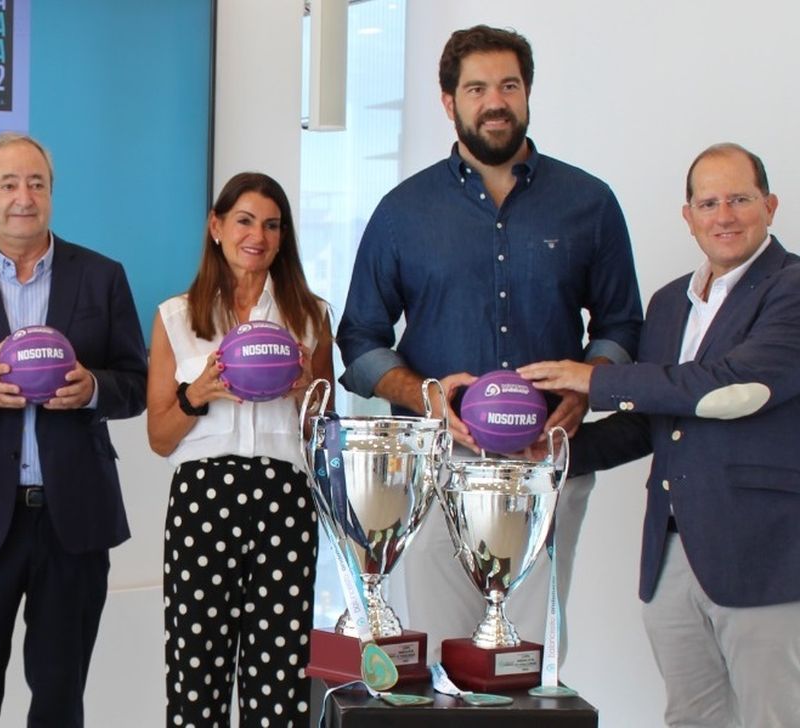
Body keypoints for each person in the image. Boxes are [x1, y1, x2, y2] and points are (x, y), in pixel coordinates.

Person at [334, 24, 643, 662]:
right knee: (446, 660)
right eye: (476, 88)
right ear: (449, 102)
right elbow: (360, 337)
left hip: (546, 466)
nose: (494, 101)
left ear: (527, 93)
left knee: (531, 657)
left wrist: (582, 394)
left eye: (509, 85)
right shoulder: (402, 211)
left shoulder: (589, 203)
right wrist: (422, 396)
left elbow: (621, 325)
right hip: (437, 465)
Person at [521, 144, 800, 727]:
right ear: (688, 216)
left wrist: (593, 379)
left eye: (740, 199)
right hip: (671, 551)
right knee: (691, 718)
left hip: (765, 554)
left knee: (773, 717)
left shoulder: (791, 288)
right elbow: (651, 421)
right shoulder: (671, 302)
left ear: (770, 206)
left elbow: (729, 388)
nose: (724, 215)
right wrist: (554, 453)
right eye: (709, 202)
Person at [0, 132, 148, 728]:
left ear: (51, 195)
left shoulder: (102, 277)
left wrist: (92, 388)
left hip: (73, 519)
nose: (25, 197)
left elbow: (136, 384)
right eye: (10, 184)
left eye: (37, 184)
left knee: (61, 696)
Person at [147, 172, 332, 726]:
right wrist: (195, 394)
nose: (258, 236)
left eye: (272, 225)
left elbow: (323, 436)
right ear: (217, 227)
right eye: (245, 220)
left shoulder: (311, 316)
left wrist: (304, 391)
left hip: (286, 499)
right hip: (204, 501)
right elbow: (158, 438)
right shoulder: (176, 318)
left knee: (280, 676)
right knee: (194, 675)